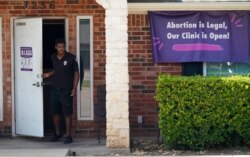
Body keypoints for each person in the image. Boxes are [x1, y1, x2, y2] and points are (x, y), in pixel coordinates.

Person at [43, 39, 79, 144]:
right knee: (55, 112)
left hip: (66, 90)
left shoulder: (71, 58)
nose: (61, 49)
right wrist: (49, 74)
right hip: (55, 89)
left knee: (67, 113)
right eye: (59, 47)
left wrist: (74, 88)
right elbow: (58, 69)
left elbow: (76, 73)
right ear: (56, 47)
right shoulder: (53, 57)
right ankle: (58, 133)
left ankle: (68, 135)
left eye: (63, 47)